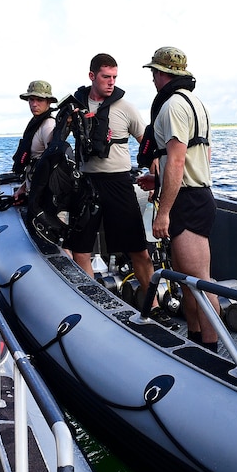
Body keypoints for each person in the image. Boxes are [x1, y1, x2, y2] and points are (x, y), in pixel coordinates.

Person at [136, 47, 219, 350]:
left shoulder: (172, 106)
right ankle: (196, 343)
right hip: (197, 196)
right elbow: (202, 155)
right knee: (188, 284)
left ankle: (214, 355)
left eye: (153, 74)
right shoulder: (195, 103)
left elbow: (177, 160)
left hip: (189, 201)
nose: (153, 80)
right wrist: (157, 183)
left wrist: (163, 213)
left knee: (201, 285)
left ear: (161, 74)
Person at [66, 53, 155, 303]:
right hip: (87, 184)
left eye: (115, 77)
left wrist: (154, 173)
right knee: (81, 250)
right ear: (92, 76)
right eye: (106, 77)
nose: (111, 82)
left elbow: (147, 142)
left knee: (138, 249)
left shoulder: (125, 107)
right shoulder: (76, 105)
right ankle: (95, 301)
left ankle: (154, 306)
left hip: (118, 183)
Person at [12, 80, 57, 204]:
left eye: (40, 100)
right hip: (34, 188)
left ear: (48, 102)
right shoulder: (36, 123)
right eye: (31, 99)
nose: (34, 104)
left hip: (44, 193)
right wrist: (24, 187)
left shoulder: (48, 125)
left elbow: (52, 164)